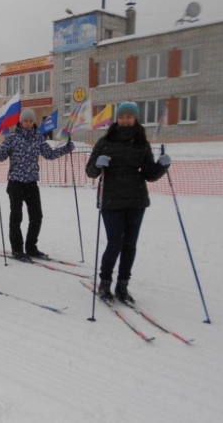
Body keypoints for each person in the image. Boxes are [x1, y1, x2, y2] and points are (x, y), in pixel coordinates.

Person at [85, 102, 170, 303]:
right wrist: (97, 164)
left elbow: (149, 174)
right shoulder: (105, 142)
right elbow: (90, 171)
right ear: (117, 119)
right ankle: (104, 283)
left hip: (136, 199)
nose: (125, 120)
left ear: (135, 119)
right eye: (122, 116)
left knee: (130, 245)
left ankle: (122, 286)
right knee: (115, 243)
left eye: (129, 117)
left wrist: (161, 166)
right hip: (111, 198)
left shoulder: (142, 143)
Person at [0, 108, 74, 260]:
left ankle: (31, 247)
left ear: (34, 122)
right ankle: (17, 249)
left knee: (37, 216)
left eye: (30, 121)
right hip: (16, 182)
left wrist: (65, 149)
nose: (28, 124)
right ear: (20, 121)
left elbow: (49, 154)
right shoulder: (12, 138)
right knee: (16, 216)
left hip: (31, 182)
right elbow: (1, 157)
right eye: (25, 120)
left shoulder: (38, 137)